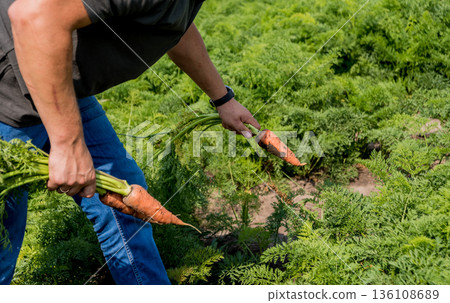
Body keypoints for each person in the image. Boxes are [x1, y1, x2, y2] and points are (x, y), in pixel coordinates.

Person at [0, 0, 260, 285]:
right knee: (5, 235)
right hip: (9, 88)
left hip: (61, 82)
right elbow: (31, 16)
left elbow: (173, 24)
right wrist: (67, 143)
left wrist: (222, 98)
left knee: (126, 200)